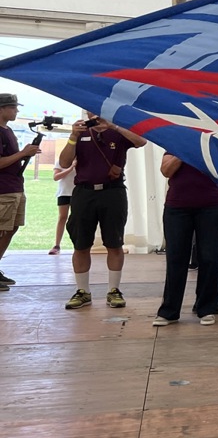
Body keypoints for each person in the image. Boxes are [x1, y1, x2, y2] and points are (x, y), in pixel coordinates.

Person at [58, 112, 147, 310]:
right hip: (84, 192)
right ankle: (82, 291)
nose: (93, 114)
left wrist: (113, 126)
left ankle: (113, 290)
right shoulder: (80, 132)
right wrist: (73, 136)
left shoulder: (118, 130)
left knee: (114, 242)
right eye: (89, 110)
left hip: (112, 192)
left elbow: (141, 141)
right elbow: (64, 163)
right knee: (81, 244)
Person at [154, 154, 218, 326]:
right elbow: (165, 171)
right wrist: (184, 152)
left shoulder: (212, 144)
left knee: (209, 257)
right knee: (176, 258)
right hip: (177, 207)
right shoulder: (176, 143)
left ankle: (206, 308)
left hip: (211, 205)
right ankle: (169, 311)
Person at [0, 93, 40, 290]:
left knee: (12, 227)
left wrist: (23, 155)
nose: (16, 111)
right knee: (2, 229)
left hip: (14, 186)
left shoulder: (7, 130)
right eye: (13, 107)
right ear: (3, 108)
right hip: (3, 189)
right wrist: (23, 153)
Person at [49, 159, 75, 254]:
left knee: (77, 219)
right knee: (62, 217)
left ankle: (78, 244)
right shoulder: (61, 161)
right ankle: (57, 245)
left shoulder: (83, 159)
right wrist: (71, 168)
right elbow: (56, 177)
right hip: (64, 192)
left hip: (78, 193)